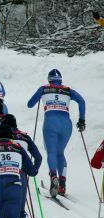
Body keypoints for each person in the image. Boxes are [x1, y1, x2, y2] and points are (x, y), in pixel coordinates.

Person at [27, 69, 86, 197]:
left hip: (50, 122)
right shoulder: (68, 90)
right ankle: (62, 184)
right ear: (61, 80)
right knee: (60, 153)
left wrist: (40, 97)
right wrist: (81, 120)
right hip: (66, 123)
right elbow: (82, 101)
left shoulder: (43, 88)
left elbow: (29, 104)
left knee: (52, 152)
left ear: (49, 80)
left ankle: (53, 176)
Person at [0, 114, 42, 218]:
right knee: (20, 207)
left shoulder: (2, 138)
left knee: (6, 207)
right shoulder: (25, 136)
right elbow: (38, 157)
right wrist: (33, 170)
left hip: (4, 173)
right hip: (22, 174)